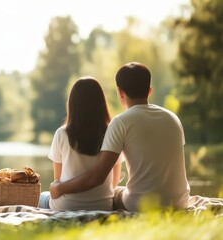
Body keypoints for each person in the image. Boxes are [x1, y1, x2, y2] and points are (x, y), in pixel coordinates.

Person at [50, 62, 191, 212]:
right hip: (180, 202)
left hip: (141, 205)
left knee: (116, 193)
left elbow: (97, 178)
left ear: (120, 92)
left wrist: (59, 189)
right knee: (115, 190)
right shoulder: (173, 119)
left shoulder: (121, 122)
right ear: (149, 91)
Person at [38, 76, 123, 211]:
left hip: (67, 206)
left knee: (42, 197)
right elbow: (114, 182)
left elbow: (58, 180)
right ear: (101, 103)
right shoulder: (112, 133)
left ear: (72, 104)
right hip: (103, 206)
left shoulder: (61, 133)